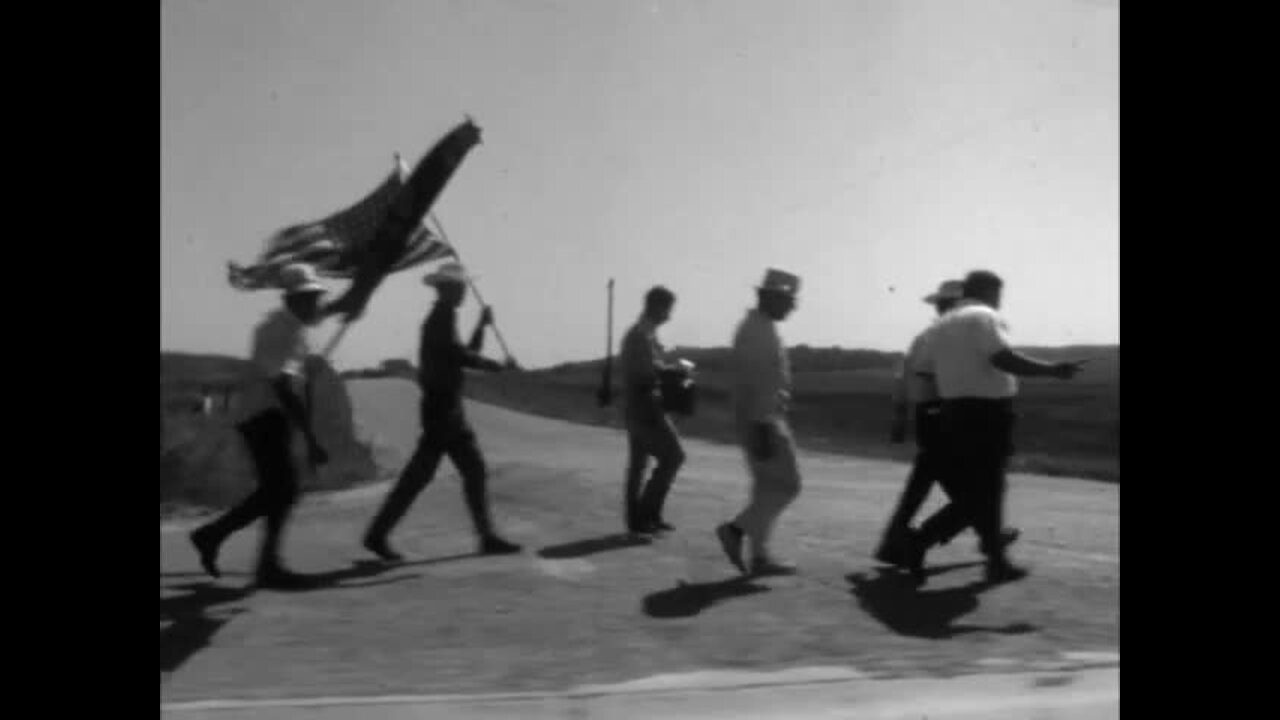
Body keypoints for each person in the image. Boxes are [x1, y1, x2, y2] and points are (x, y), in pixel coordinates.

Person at [909, 270, 1085, 584]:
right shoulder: (983, 316)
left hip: (953, 411)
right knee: (985, 490)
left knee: (984, 489)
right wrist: (1053, 370)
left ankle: (993, 559)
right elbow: (1002, 358)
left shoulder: (942, 324)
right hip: (986, 412)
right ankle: (924, 540)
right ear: (990, 292)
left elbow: (925, 370)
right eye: (998, 294)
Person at [189, 263, 341, 589]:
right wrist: (310, 437)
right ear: (292, 298)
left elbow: (293, 376)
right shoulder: (277, 330)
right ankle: (239, 550)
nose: (315, 302)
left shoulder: (293, 327)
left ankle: (231, 546)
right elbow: (283, 385)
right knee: (282, 490)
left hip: (270, 417)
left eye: (315, 296)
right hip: (262, 418)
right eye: (309, 296)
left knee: (280, 491)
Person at [362, 261, 522, 561]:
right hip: (442, 410)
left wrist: (481, 326)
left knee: (463, 470)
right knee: (436, 474)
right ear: (447, 290)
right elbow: (461, 356)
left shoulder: (444, 317)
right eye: (459, 287)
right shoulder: (440, 318)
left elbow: (461, 354)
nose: (463, 292)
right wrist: (497, 366)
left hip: (447, 409)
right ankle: (378, 534)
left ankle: (484, 536)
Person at [875, 279, 1018, 566]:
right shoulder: (943, 336)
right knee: (978, 490)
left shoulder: (929, 335)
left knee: (922, 486)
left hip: (929, 417)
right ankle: (985, 541)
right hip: (946, 415)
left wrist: (901, 414)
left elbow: (904, 378)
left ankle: (894, 542)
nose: (943, 308)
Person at [715, 268, 803, 576]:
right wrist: (764, 424)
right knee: (789, 485)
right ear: (772, 298)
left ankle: (760, 556)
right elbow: (759, 382)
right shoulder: (759, 332)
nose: (792, 307)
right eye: (789, 300)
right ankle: (736, 530)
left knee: (766, 488)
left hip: (758, 418)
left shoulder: (758, 327)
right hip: (763, 419)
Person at [619, 286, 686, 534]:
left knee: (638, 464)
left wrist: (667, 369)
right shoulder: (639, 335)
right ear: (657, 307)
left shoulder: (646, 333)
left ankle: (642, 518)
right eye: (667, 309)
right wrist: (671, 372)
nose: (669, 315)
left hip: (643, 405)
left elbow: (650, 367)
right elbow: (643, 373)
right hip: (644, 406)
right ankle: (646, 513)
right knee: (674, 456)